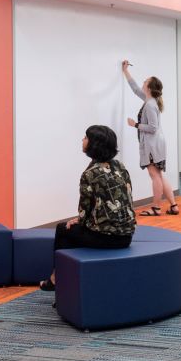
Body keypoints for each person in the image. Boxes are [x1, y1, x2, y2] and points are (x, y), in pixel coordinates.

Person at [42, 124, 136, 291]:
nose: (83, 140)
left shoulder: (89, 174)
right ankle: (71, 277)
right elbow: (127, 198)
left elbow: (84, 209)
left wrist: (79, 220)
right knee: (74, 228)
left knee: (63, 229)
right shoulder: (120, 167)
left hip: (108, 239)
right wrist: (81, 219)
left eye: (86, 137)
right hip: (127, 236)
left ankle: (56, 278)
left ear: (94, 144)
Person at [122, 60, 176, 215]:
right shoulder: (149, 100)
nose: (143, 82)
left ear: (150, 87)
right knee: (158, 174)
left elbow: (153, 128)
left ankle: (156, 207)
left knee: (155, 176)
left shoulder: (150, 105)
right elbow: (134, 89)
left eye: (145, 81)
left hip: (153, 145)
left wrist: (135, 125)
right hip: (156, 144)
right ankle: (173, 205)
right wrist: (126, 71)